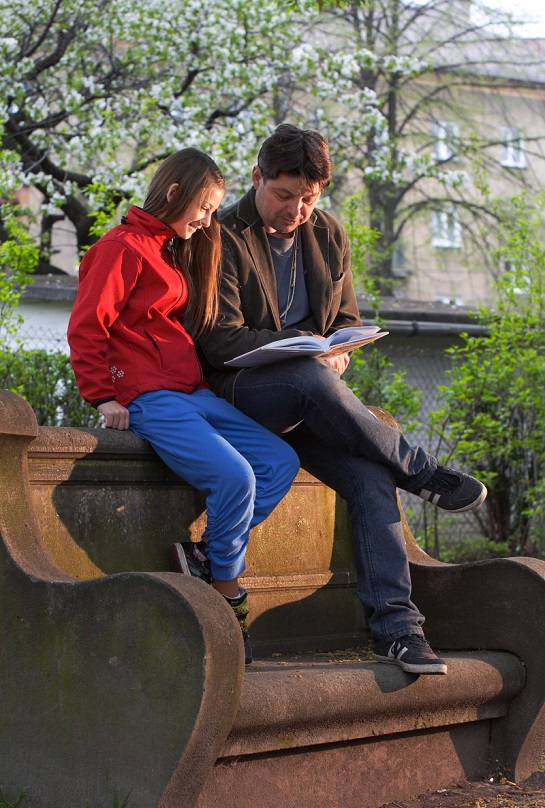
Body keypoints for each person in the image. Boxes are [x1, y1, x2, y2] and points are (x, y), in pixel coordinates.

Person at [197, 124, 488, 676]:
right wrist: (301, 355)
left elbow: (345, 318)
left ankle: (398, 631)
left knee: (370, 477)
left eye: (309, 198)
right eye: (285, 195)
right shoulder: (220, 234)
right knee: (310, 379)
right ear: (258, 177)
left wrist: (339, 349)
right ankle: (423, 470)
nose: (297, 210)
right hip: (241, 394)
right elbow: (220, 339)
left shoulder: (328, 233)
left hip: (313, 396)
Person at [67, 147, 300, 666]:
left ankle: (201, 555)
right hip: (148, 396)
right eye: (204, 207)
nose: (208, 219)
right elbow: (87, 325)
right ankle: (227, 593)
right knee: (235, 477)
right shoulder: (121, 247)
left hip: (192, 392)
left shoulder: (170, 247)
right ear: (175, 194)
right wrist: (103, 395)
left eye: (215, 210)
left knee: (279, 461)